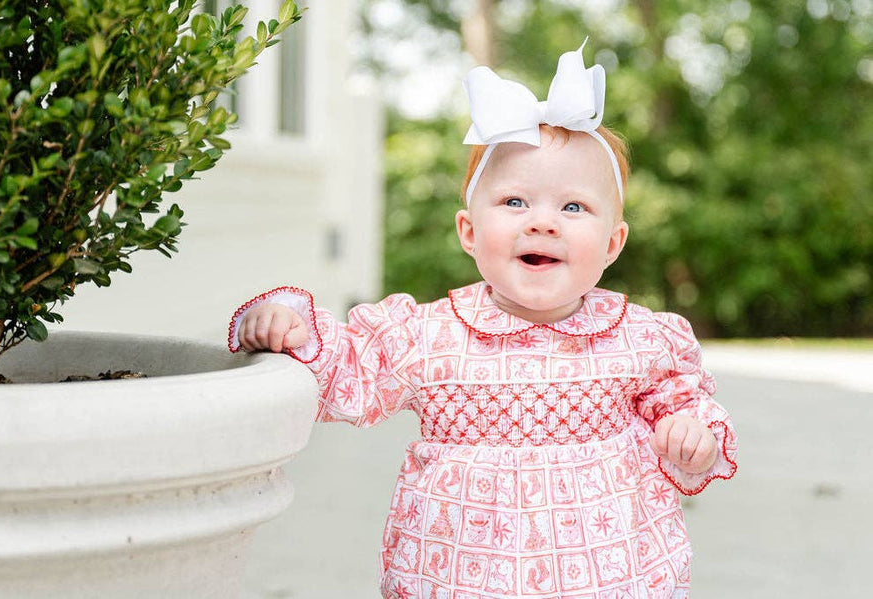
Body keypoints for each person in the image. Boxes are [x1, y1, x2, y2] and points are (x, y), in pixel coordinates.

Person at [229, 42, 737, 598]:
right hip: (464, 572)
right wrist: (292, 330)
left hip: (610, 571)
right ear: (469, 232)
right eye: (515, 201)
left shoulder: (642, 339)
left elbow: (685, 403)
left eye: (573, 207)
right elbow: (354, 371)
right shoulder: (430, 335)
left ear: (613, 243)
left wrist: (694, 436)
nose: (543, 222)